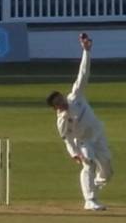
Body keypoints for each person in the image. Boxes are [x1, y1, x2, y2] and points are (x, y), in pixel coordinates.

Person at [48, 33, 112, 211]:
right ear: (55, 108)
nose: (62, 102)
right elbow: (67, 139)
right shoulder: (61, 121)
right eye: (58, 103)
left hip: (97, 134)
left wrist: (86, 51)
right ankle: (89, 200)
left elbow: (83, 73)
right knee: (88, 164)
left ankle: (95, 183)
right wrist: (75, 154)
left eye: (60, 98)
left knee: (107, 171)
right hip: (83, 141)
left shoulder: (75, 96)